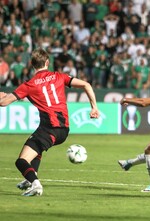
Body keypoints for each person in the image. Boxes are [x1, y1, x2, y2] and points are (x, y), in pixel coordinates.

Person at [0, 48, 99, 196]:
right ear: (47, 62)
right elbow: (87, 85)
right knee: (36, 148)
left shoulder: (29, 84)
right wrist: (94, 108)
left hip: (49, 129)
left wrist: (2, 95)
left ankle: (35, 184)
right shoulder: (59, 76)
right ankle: (29, 180)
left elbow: (4, 103)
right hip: (63, 130)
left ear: (32, 65)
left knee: (21, 161)